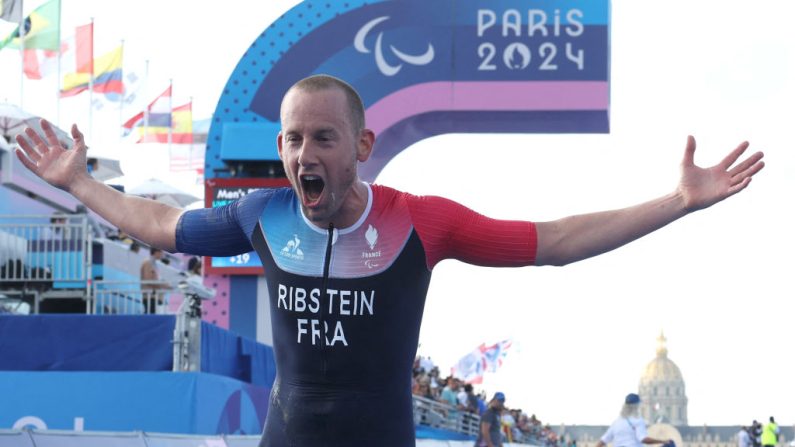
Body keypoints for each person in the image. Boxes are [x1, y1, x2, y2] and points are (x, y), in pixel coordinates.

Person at [15, 74, 764, 447]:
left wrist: (676, 202)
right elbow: (162, 223)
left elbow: (556, 241)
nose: (302, 153)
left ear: (362, 147)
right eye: (291, 139)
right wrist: (79, 183)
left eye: (322, 138)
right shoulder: (262, 214)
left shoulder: (422, 222)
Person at [595, 393, 672, 447]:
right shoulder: (638, 420)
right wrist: (663, 441)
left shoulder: (616, 422)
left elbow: (602, 441)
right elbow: (643, 439)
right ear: (637, 407)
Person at [140, 247, 166, 314]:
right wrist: (161, 285)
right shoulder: (148, 262)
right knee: (149, 316)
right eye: (161, 252)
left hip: (154, 296)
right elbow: (147, 279)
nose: (163, 254)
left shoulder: (153, 263)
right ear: (156, 252)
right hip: (150, 295)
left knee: (151, 315)